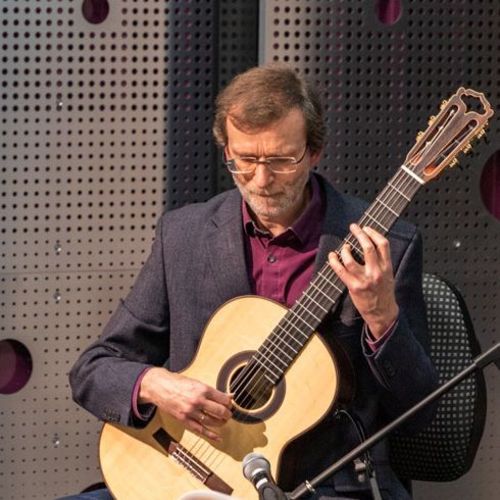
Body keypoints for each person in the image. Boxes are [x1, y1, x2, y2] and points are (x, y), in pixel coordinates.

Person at [65, 63, 438, 500]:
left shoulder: (385, 245)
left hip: (325, 485)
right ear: (226, 149)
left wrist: (382, 316)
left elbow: (417, 415)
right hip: (179, 470)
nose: (261, 181)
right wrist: (155, 385)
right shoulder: (183, 236)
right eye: (244, 161)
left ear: (314, 151)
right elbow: (94, 369)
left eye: (281, 161)